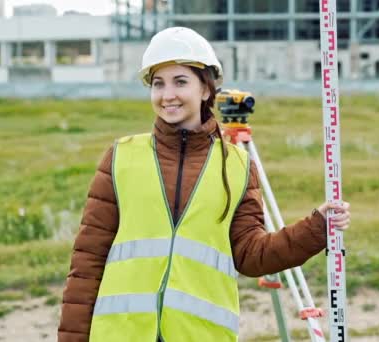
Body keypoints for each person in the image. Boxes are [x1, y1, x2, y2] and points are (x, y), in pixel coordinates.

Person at [57, 27, 350, 342]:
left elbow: (252, 255)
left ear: (206, 89)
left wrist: (316, 228)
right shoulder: (120, 157)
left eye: (180, 81)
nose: (167, 94)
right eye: (158, 84)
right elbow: (87, 261)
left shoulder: (237, 166)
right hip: (121, 334)